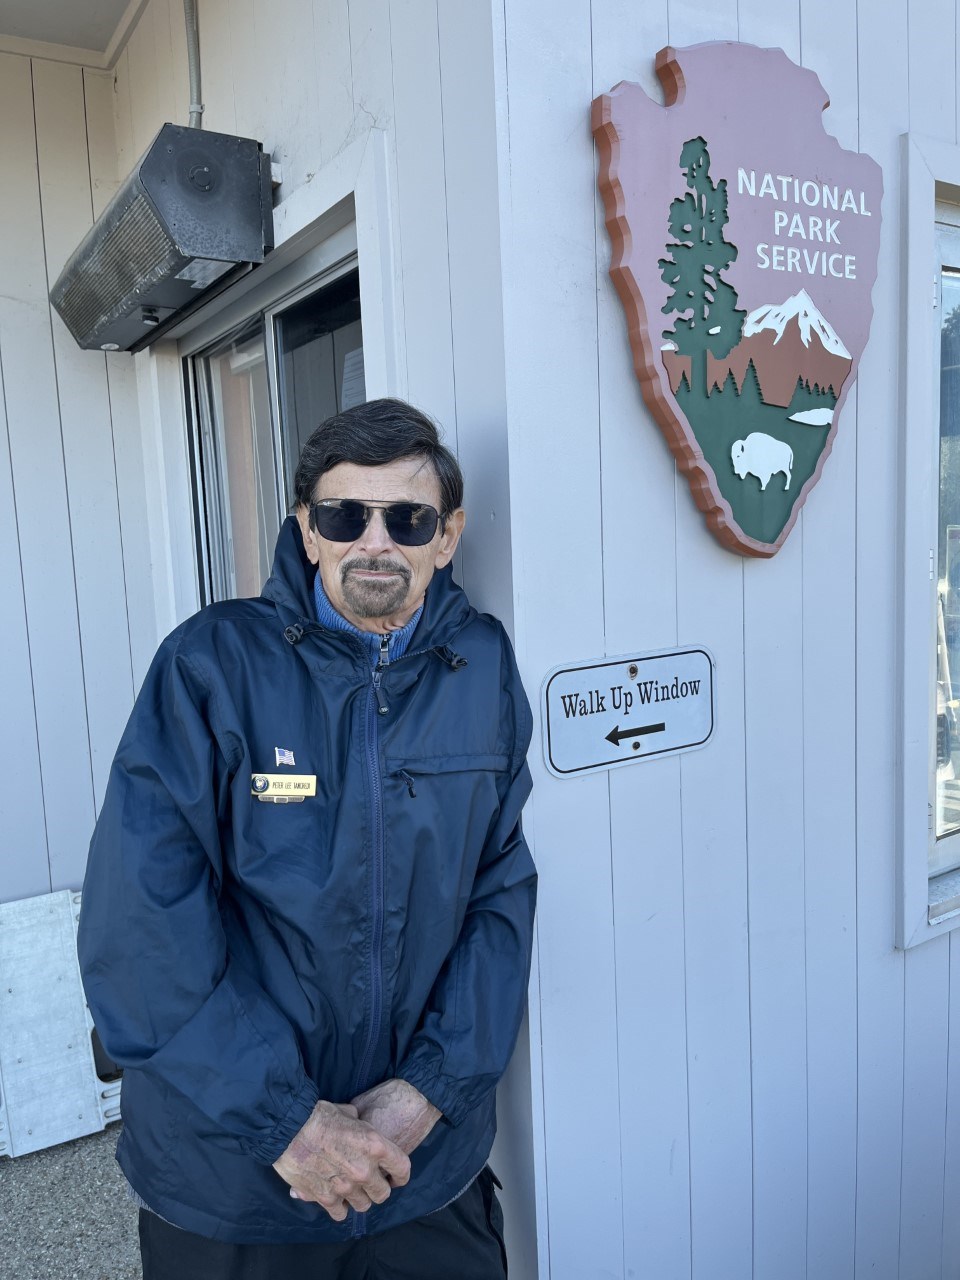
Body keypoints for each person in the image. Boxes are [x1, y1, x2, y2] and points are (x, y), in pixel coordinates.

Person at [78, 398, 536, 1280]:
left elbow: (499, 894)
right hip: (237, 1180)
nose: (376, 542)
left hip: (419, 1171)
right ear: (308, 531)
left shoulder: (483, 667)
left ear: (447, 537)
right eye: (343, 516)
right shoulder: (210, 665)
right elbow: (139, 928)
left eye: (408, 519)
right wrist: (284, 1121)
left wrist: (431, 1092)